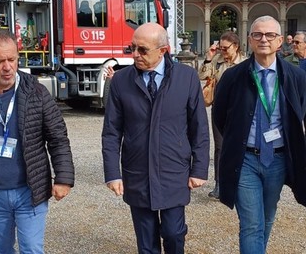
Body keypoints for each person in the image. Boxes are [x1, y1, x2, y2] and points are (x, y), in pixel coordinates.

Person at [102, 22, 210, 254]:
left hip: (174, 170)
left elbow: (199, 126)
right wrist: (112, 173)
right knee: (146, 243)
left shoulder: (187, 77)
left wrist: (199, 168)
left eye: (142, 50)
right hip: (137, 172)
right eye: (132, 48)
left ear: (163, 50)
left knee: (173, 233)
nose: (135, 55)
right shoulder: (121, 81)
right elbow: (111, 131)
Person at [212, 15, 306, 254]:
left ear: (280, 42)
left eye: (270, 35)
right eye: (258, 34)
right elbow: (220, 117)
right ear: (250, 40)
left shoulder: (297, 77)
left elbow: (301, 114)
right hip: (246, 160)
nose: (263, 39)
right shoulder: (233, 77)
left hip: (278, 160)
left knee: (266, 219)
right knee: (252, 225)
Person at [0, 29, 75, 253]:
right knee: (1, 250)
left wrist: (64, 178)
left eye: (12, 59)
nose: (7, 67)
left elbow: (57, 137)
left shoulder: (36, 91)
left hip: (30, 191)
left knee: (32, 249)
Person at [198, 31, 246, 199]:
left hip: (239, 110)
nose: (222, 51)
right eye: (220, 48)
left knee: (240, 145)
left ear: (236, 46)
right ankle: (219, 184)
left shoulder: (245, 63)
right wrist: (209, 57)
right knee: (220, 147)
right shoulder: (217, 62)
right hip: (219, 108)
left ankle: (239, 182)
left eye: (225, 48)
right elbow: (202, 76)